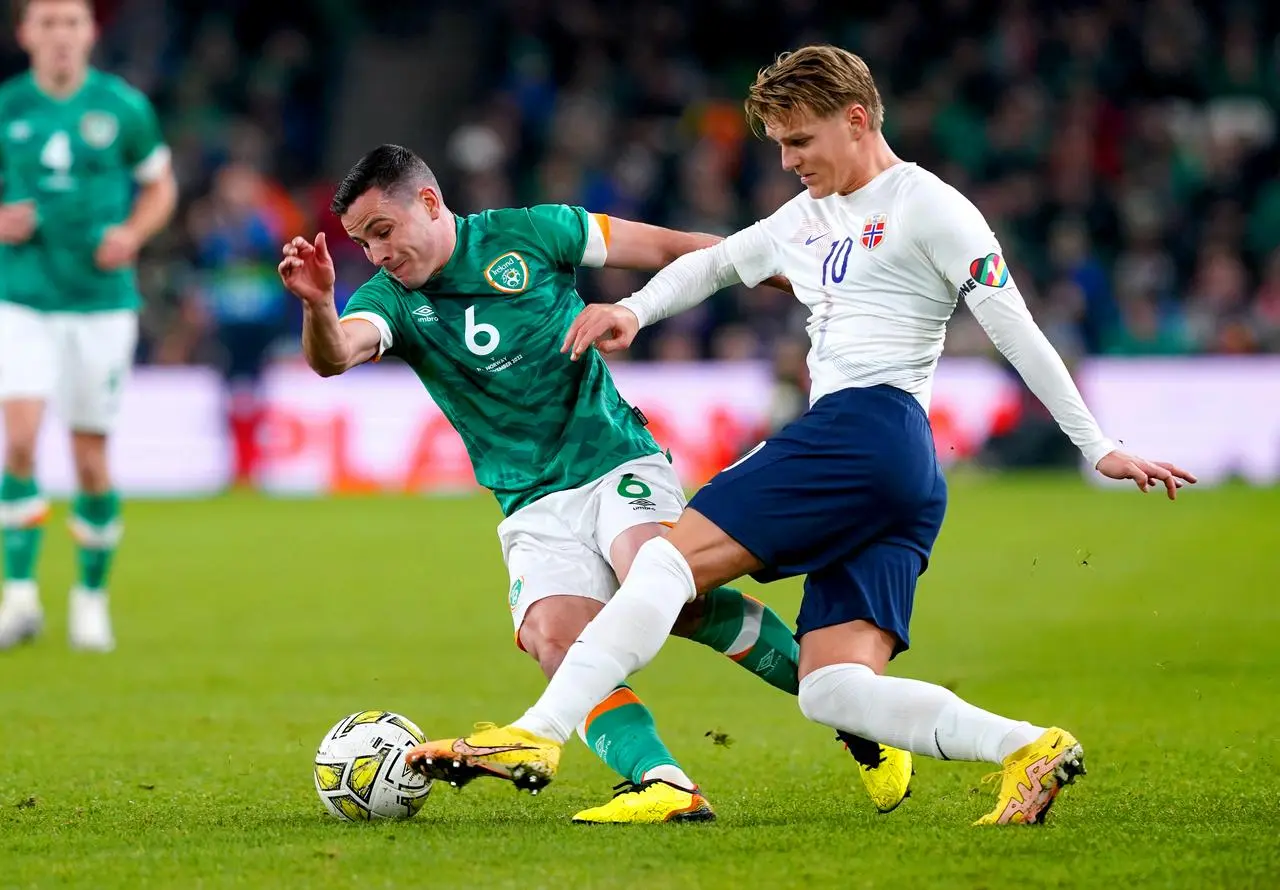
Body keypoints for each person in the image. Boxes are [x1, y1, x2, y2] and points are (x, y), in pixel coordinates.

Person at [405, 45, 1198, 826]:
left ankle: (538, 736)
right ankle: (1031, 747)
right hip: (900, 472)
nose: (785, 160)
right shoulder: (805, 217)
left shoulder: (932, 207)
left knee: (667, 564)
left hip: (865, 426)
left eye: (799, 140)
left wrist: (1096, 445)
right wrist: (634, 311)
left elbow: (1015, 326)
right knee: (833, 689)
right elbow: (714, 265)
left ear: (856, 120)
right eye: (778, 143)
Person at [277, 143, 912, 823]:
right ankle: (665, 784)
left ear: (428, 204)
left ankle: (863, 723)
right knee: (558, 640)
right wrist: (318, 305)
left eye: (383, 232)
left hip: (613, 460)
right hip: (529, 502)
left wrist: (794, 274)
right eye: (363, 243)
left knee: (668, 586)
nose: (376, 255)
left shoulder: (534, 231)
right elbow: (337, 354)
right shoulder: (391, 302)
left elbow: (673, 249)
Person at [0, 0, 178, 652]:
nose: (60, 36)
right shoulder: (6, 107)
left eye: (71, 22)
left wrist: (131, 233)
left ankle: (90, 599)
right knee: (18, 440)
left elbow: (161, 187)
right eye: (46, 23)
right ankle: (18, 597)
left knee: (89, 459)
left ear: (89, 32)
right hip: (21, 297)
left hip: (102, 303)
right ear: (25, 34)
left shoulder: (124, 107)